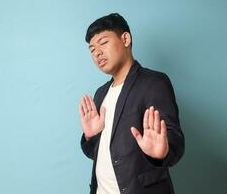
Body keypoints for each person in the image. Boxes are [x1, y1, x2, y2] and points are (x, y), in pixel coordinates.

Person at [79, 13, 185, 194]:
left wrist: (161, 153)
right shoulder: (101, 93)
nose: (97, 52)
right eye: (91, 49)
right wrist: (91, 138)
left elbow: (175, 140)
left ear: (125, 39)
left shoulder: (154, 83)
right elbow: (101, 154)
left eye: (103, 42)